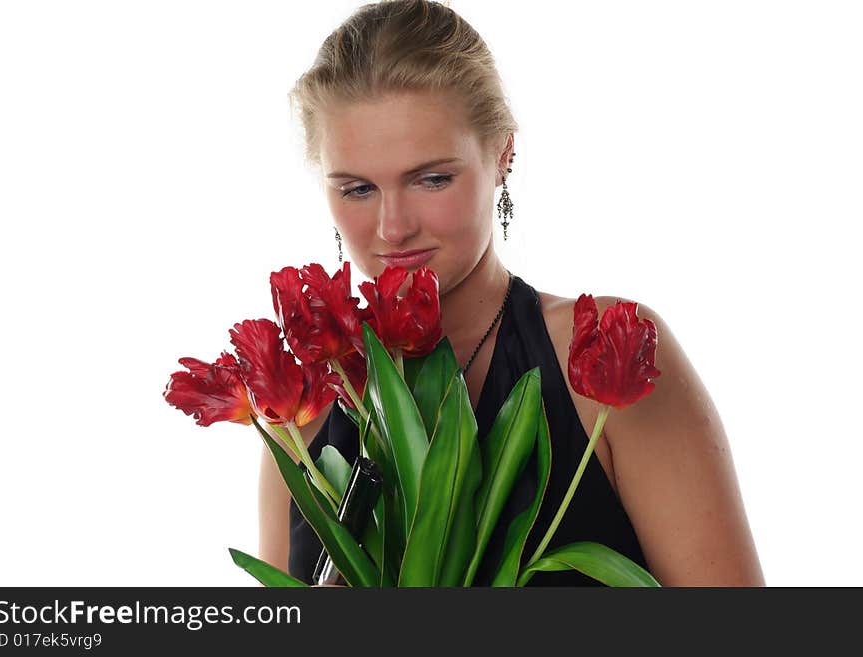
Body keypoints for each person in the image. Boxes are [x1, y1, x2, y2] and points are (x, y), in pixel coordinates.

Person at [258, 0, 765, 586]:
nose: (392, 228)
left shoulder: (602, 355)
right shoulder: (300, 402)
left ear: (502, 154)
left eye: (432, 179)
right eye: (357, 189)